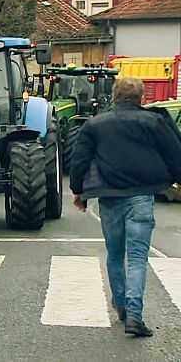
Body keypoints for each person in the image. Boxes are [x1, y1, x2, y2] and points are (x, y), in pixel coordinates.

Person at [70, 77, 181, 337]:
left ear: (114, 96)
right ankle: (134, 316)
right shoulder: (155, 122)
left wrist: (79, 192)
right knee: (138, 258)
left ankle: (120, 305)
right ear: (141, 97)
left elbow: (79, 160)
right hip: (141, 197)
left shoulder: (95, 125)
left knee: (115, 254)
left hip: (109, 198)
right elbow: (175, 154)